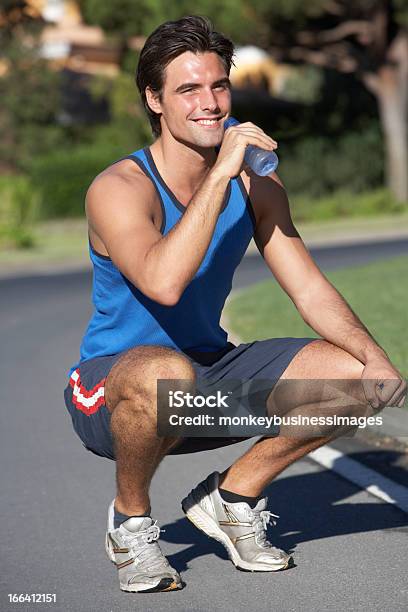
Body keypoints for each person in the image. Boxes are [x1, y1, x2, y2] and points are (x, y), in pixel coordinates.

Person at [63, 15, 406, 594]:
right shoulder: (119, 188)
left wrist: (377, 362)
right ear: (154, 99)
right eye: (188, 89)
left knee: (358, 377)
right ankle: (130, 522)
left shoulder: (257, 186)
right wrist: (221, 173)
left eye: (218, 85)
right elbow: (163, 283)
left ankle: (233, 496)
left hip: (205, 388)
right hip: (112, 393)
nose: (210, 103)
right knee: (160, 372)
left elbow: (308, 288)